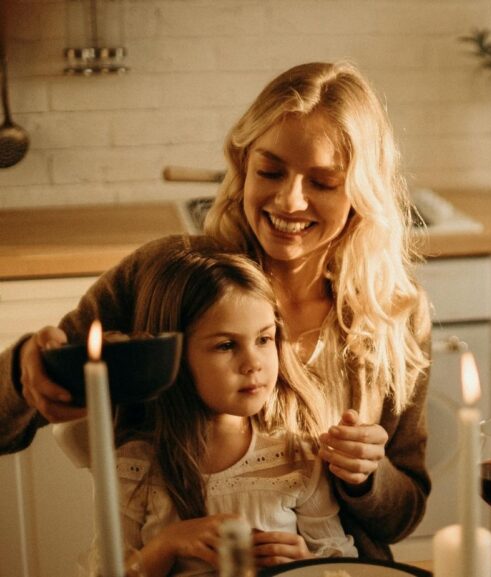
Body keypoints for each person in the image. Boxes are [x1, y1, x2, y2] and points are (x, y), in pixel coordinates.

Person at [0, 61, 432, 560]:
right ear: (243, 164)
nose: (291, 200)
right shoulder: (169, 279)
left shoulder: (392, 315)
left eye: (323, 182)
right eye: (270, 171)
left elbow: (403, 517)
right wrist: (25, 372)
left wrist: (368, 475)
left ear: (362, 191)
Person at [95, 248, 357, 577]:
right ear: (172, 354)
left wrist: (306, 565)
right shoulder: (137, 467)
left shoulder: (296, 457)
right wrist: (167, 544)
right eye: (226, 345)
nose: (253, 363)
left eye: (264, 339)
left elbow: (341, 564)